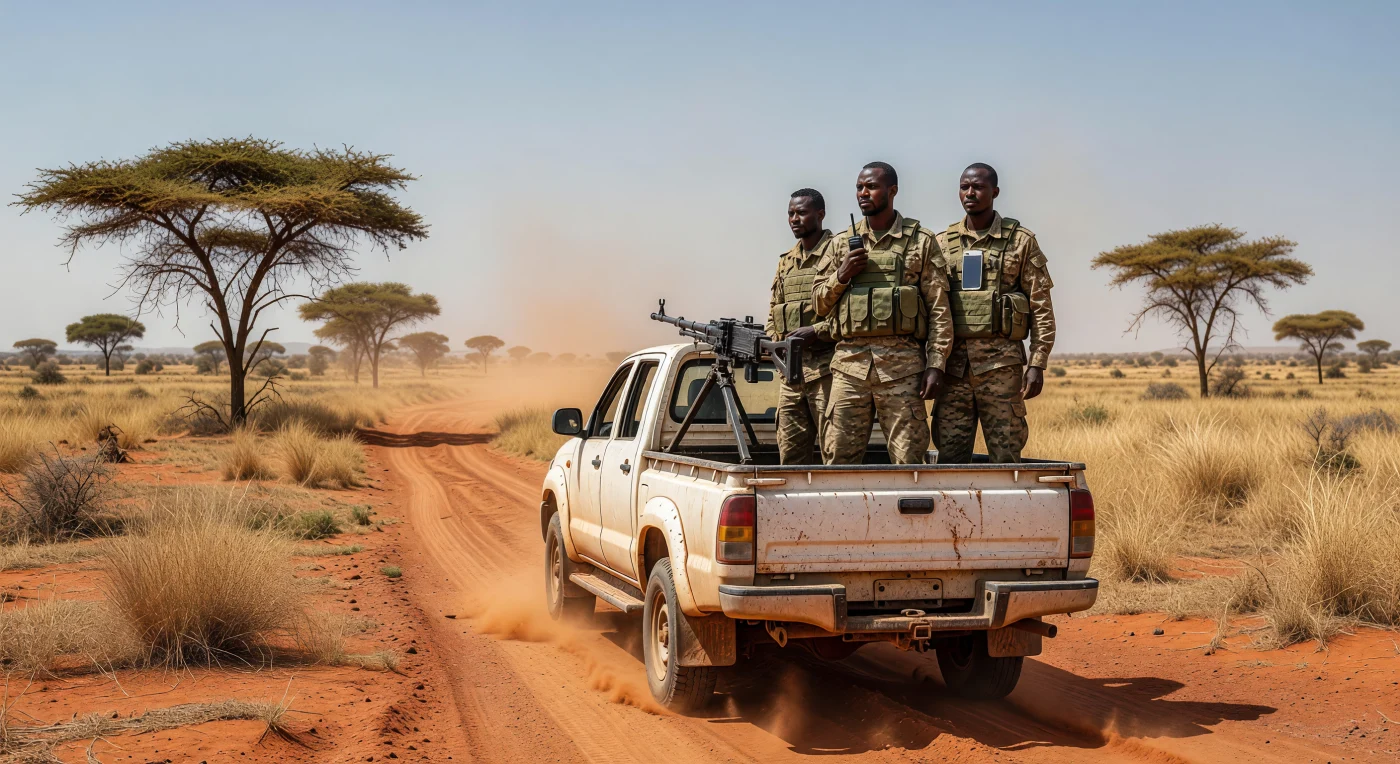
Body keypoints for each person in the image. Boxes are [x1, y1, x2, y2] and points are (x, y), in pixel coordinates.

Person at [811, 162, 954, 465]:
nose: (863, 193)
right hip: (849, 369)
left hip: (903, 370)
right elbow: (819, 304)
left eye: (871, 186)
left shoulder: (920, 242)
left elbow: (939, 310)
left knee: (909, 463)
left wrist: (936, 364)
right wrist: (842, 274)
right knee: (837, 462)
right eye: (859, 187)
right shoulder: (839, 245)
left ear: (892, 191)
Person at [932, 163, 1056, 463]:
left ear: (995, 192)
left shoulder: (1020, 241)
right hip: (953, 372)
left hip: (1002, 369)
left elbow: (1041, 305)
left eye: (978, 187)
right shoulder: (942, 243)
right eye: (964, 187)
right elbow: (932, 306)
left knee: (1006, 457)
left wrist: (1038, 363)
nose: (970, 193)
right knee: (949, 459)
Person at [766, 188, 838, 464]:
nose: (794, 219)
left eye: (801, 212)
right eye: (790, 213)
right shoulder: (786, 262)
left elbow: (850, 317)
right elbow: (774, 311)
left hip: (828, 372)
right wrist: (776, 343)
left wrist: (817, 332)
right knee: (791, 456)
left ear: (820, 214)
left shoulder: (837, 253)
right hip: (791, 376)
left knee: (835, 456)